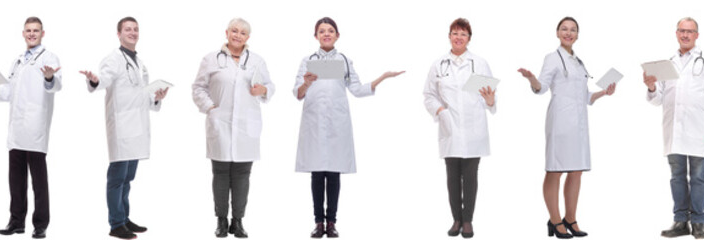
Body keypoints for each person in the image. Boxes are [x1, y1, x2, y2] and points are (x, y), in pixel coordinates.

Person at [293, 16, 404, 239]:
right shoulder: (307, 60)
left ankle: (331, 222)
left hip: (336, 123)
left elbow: (358, 89)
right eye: (322, 31)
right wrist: (306, 83)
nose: (326, 34)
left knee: (333, 173)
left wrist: (382, 78)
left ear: (337, 35)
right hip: (314, 122)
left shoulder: (344, 60)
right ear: (316, 36)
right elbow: (297, 93)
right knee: (317, 173)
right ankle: (318, 223)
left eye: (330, 31)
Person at [517, 16, 615, 239]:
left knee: (576, 171)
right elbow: (541, 88)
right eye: (564, 29)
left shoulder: (578, 62)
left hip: (579, 124)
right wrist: (531, 78)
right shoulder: (552, 58)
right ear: (557, 33)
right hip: (560, 122)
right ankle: (554, 219)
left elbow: (584, 96)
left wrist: (603, 93)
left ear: (578, 35)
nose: (568, 33)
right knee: (555, 170)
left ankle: (570, 218)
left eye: (572, 30)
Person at [79, 16, 168, 240]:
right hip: (121, 127)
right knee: (117, 178)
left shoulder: (140, 62)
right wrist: (94, 80)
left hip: (137, 126)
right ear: (118, 34)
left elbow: (144, 95)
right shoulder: (113, 59)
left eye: (135, 29)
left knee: (128, 178)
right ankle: (116, 224)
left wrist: (156, 97)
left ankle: (125, 219)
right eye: (128, 29)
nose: (133, 33)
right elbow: (103, 80)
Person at [191, 17, 274, 238]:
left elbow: (270, 85)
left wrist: (263, 90)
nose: (238, 35)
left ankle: (237, 221)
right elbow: (198, 87)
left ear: (248, 38)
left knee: (242, 175)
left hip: (247, 126)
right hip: (220, 123)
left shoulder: (256, 60)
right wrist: (210, 107)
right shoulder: (211, 59)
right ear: (226, 33)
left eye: (243, 33)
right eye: (234, 31)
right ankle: (221, 221)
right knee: (220, 174)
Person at [643, 17, 704, 240]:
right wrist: (651, 86)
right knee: (677, 176)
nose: (685, 35)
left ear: (697, 35)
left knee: (698, 177)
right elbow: (657, 99)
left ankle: (698, 222)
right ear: (676, 33)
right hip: (674, 130)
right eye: (682, 31)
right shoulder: (666, 63)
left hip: (699, 127)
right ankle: (680, 221)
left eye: (690, 31)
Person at [0, 16, 62, 239]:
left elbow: (55, 86)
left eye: (36, 31)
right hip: (16, 129)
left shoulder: (50, 57)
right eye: (28, 30)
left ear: (42, 33)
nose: (32, 34)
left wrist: (49, 77)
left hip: (36, 127)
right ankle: (16, 221)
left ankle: (40, 224)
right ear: (23, 33)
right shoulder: (17, 61)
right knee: (15, 179)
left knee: (39, 182)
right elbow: (9, 92)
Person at [422, 18, 497, 239]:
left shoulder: (480, 63)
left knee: (471, 177)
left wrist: (491, 100)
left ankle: (468, 221)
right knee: (452, 177)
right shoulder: (439, 64)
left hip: (474, 129)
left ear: (469, 38)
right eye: (455, 33)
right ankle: (456, 218)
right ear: (449, 36)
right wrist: (440, 112)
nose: (458, 37)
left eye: (463, 34)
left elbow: (489, 99)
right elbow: (428, 95)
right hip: (450, 128)